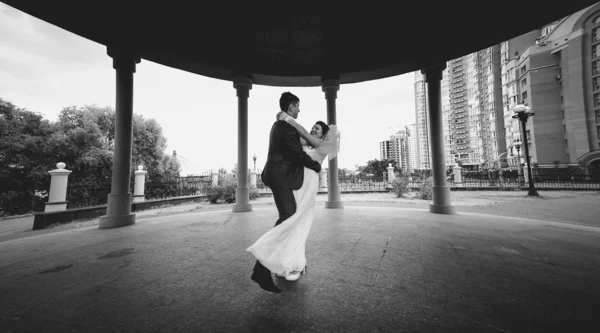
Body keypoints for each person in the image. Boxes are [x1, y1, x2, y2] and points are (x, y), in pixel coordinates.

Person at [248, 93, 340, 293]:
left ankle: (269, 266)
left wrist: (286, 118)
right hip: (282, 176)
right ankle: (261, 266)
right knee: (289, 217)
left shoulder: (282, 125)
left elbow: (304, 144)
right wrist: (315, 166)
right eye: (297, 107)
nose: (299, 111)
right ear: (291, 107)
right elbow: (296, 153)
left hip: (286, 177)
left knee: (290, 217)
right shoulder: (286, 127)